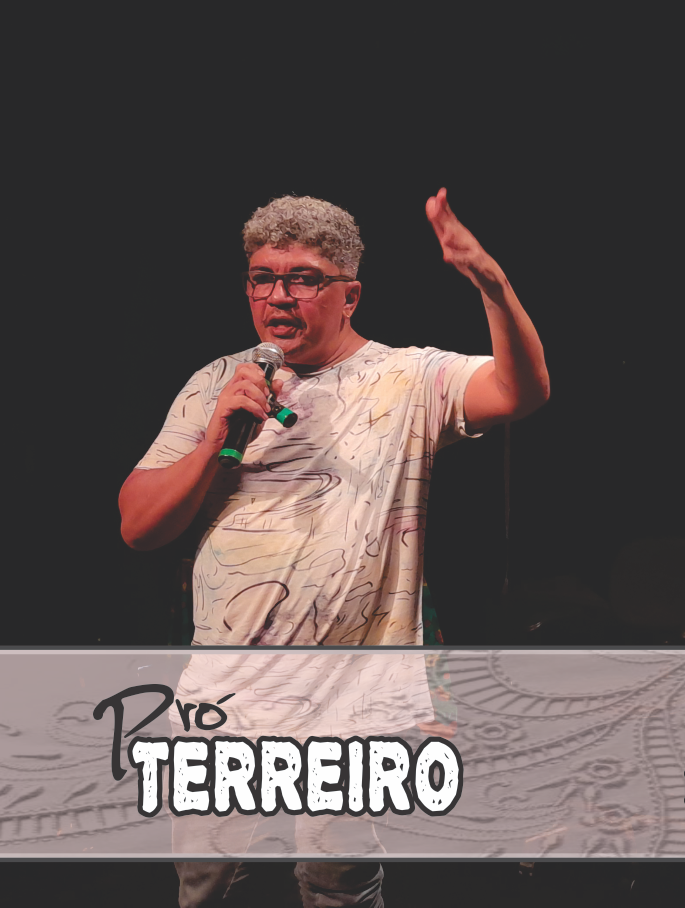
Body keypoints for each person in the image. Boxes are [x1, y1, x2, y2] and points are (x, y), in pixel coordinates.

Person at [118, 190, 549, 907]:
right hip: (224, 696)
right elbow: (138, 525)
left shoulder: (409, 378)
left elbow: (520, 391)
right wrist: (216, 438)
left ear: (350, 295)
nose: (278, 296)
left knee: (337, 886)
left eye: (303, 279)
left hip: (352, 700)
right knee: (210, 887)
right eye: (263, 277)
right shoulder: (216, 384)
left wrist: (491, 285)